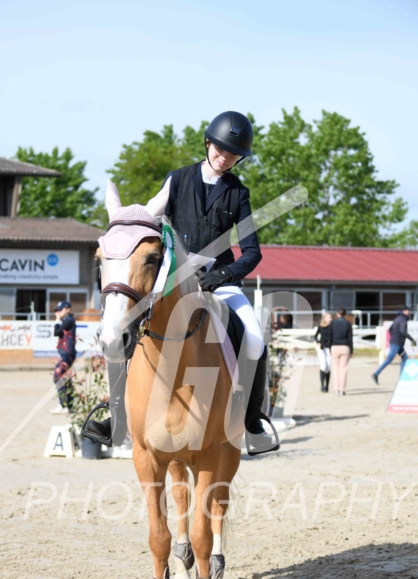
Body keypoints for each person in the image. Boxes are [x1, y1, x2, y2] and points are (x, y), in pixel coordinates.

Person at [91, 111, 277, 454]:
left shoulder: (238, 193)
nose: (224, 157)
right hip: (173, 279)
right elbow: (155, 228)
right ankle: (115, 416)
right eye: (220, 149)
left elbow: (252, 253)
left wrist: (222, 275)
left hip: (219, 281)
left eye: (233, 154)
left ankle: (253, 422)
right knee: (122, 328)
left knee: (253, 338)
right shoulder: (177, 180)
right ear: (208, 143)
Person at [372, 307, 416, 384]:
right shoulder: (403, 319)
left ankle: (402, 377)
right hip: (396, 343)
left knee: (405, 358)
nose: (409, 312)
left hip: (396, 342)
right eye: (408, 310)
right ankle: (376, 374)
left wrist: (394, 336)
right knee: (389, 359)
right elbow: (403, 331)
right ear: (404, 311)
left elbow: (390, 329)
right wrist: (412, 340)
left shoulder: (398, 318)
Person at [50, 301, 76, 414]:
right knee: (66, 378)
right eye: (58, 310)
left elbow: (56, 332)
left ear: (68, 309)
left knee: (58, 376)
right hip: (67, 353)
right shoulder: (68, 320)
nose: (59, 312)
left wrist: (57, 320)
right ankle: (70, 406)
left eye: (61, 310)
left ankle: (63, 405)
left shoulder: (68, 320)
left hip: (67, 354)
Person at [330, 308, 353, 395]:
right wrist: (351, 350)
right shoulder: (348, 323)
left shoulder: (333, 323)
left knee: (335, 369)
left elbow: (330, 336)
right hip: (345, 346)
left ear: (337, 314)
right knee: (343, 369)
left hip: (335, 346)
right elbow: (350, 338)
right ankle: (342, 389)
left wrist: (330, 348)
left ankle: (336, 388)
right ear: (345, 314)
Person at [314, 312, 332, 392]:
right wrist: (318, 342)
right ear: (324, 318)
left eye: (330, 317)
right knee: (323, 365)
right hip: (322, 347)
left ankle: (327, 385)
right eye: (328, 317)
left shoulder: (332, 327)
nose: (330, 319)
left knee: (328, 367)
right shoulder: (320, 326)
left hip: (329, 347)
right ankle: (322, 385)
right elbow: (315, 336)